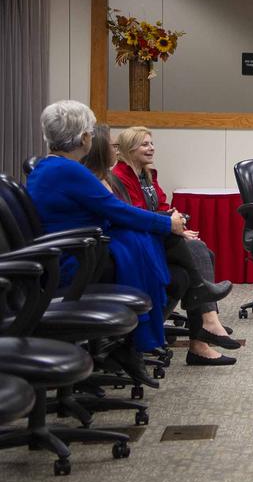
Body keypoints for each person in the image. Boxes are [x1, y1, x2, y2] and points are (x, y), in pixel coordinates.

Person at [26, 102, 185, 381]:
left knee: (151, 247)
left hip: (70, 253)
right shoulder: (69, 170)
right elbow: (115, 209)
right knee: (161, 256)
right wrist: (165, 223)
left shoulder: (49, 166)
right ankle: (127, 342)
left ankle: (125, 342)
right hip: (76, 260)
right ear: (85, 138)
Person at [110, 125, 239, 363]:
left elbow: (159, 205)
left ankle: (202, 335)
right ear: (129, 148)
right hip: (143, 242)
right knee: (198, 251)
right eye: (145, 144)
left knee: (203, 254)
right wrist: (171, 223)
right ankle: (206, 328)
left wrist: (177, 221)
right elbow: (135, 214)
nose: (151, 148)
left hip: (158, 233)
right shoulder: (119, 177)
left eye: (151, 143)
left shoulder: (147, 174)